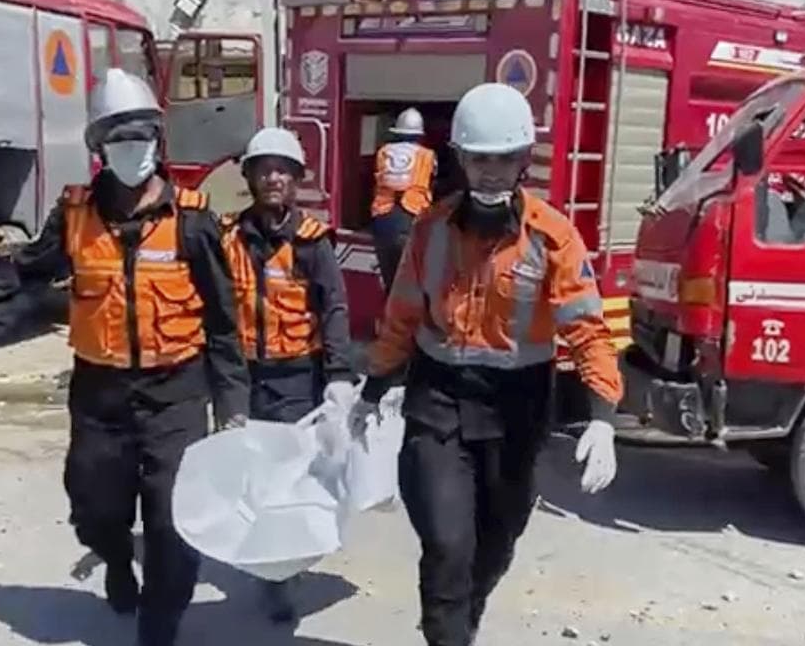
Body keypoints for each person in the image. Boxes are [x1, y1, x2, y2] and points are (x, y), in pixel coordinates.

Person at [0, 68, 250, 646]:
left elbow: (224, 323)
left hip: (176, 392)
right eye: (118, 139)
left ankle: (159, 627)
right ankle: (117, 560)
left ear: (159, 140)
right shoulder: (75, 218)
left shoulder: (195, 221)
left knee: (176, 523)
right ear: (98, 149)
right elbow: (21, 285)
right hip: (99, 394)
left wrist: (233, 408)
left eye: (142, 137)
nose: (133, 150)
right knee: (94, 506)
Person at [349, 83, 621, 646]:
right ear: (461, 161)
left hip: (516, 410)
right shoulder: (429, 231)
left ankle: (459, 618)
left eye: (504, 158)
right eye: (479, 159)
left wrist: (602, 416)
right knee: (447, 542)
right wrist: (371, 388)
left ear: (523, 160)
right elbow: (401, 316)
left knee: (495, 544)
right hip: (438, 402)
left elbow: (586, 328)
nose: (491, 171)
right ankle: (447, 628)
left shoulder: (553, 237)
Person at [219, 127, 356, 622]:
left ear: (296, 179)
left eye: (283, 170)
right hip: (244, 375)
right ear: (250, 177)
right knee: (253, 476)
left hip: (298, 376)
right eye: (264, 169)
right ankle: (266, 560)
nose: (273, 178)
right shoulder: (227, 237)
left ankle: (282, 574)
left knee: (287, 479)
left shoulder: (312, 242)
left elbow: (335, 309)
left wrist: (339, 375)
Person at [370, 107, 438, 294]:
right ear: (419, 134)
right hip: (412, 220)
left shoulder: (383, 152)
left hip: (382, 220)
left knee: (389, 281)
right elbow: (432, 183)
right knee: (411, 284)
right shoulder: (427, 155)